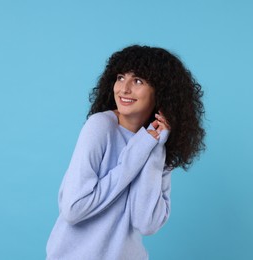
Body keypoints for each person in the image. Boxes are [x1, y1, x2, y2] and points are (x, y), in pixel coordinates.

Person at [46, 45, 205, 260]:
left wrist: (155, 147)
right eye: (120, 78)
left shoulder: (159, 145)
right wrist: (141, 147)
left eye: (138, 81)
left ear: (161, 92)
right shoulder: (100, 127)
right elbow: (73, 209)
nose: (124, 88)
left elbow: (146, 223)